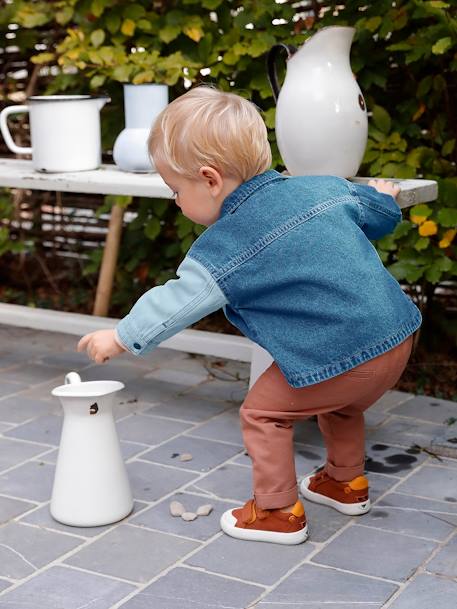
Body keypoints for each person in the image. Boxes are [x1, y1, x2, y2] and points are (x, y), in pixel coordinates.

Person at [77, 86, 421, 545]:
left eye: (176, 190)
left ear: (210, 178)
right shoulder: (320, 186)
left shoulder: (226, 246)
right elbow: (378, 211)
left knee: (263, 413)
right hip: (398, 336)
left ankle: (277, 512)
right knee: (339, 402)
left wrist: (120, 337)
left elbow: (174, 301)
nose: (176, 202)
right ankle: (345, 482)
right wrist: (383, 194)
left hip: (346, 352)